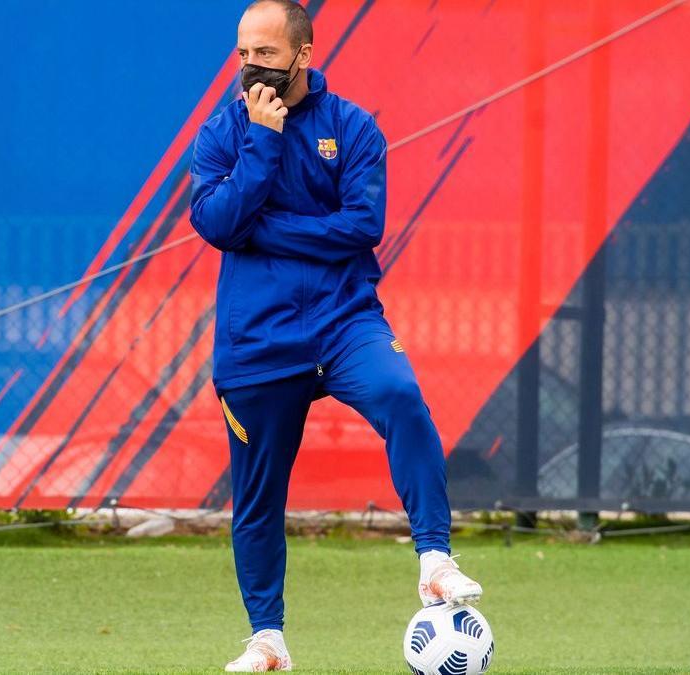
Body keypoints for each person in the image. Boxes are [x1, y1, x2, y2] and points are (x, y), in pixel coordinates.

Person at [188, 1, 482, 671]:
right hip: (257, 342)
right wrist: (260, 145)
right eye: (243, 54)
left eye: (265, 53)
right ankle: (268, 638)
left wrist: (261, 231)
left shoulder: (352, 127)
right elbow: (215, 221)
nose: (251, 66)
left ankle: (434, 559)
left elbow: (360, 227)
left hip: (345, 322)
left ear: (304, 52)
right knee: (259, 493)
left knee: (402, 395)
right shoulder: (224, 132)